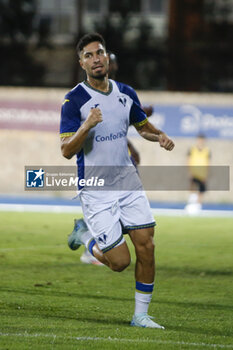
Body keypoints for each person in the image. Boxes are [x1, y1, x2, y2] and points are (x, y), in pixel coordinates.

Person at [60, 33, 175, 329]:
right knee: (120, 262)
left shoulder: (125, 92)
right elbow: (66, 151)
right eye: (89, 55)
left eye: (100, 53)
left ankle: (141, 316)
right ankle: (84, 236)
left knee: (147, 246)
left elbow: (142, 127)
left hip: (128, 182)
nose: (96, 58)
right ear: (81, 63)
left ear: (108, 57)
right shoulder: (74, 100)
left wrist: (157, 136)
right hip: (96, 190)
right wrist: (87, 124)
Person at [79, 50, 152, 265]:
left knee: (124, 208)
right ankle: (88, 239)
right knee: (102, 203)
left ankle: (100, 240)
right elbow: (101, 131)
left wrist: (131, 144)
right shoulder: (87, 93)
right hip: (98, 167)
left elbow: (117, 130)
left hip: (118, 165)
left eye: (111, 61)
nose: (109, 64)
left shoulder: (120, 91)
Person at [185, 133, 211, 213]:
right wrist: (190, 171)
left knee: (201, 190)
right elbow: (188, 160)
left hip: (202, 173)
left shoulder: (207, 150)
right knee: (193, 188)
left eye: (202, 140)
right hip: (194, 172)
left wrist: (206, 174)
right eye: (199, 140)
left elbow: (208, 162)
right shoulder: (192, 149)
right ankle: (191, 205)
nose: (200, 141)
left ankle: (198, 207)